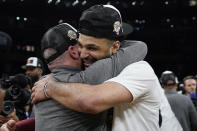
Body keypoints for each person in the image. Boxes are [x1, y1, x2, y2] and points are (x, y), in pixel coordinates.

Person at [32, 4, 182, 131]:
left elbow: (90, 101)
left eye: (92, 48)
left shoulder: (139, 69)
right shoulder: (87, 71)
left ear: (116, 46)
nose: (83, 54)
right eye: (81, 46)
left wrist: (50, 88)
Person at [1, 19, 147, 131]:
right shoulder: (92, 75)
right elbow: (140, 47)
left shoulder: (41, 83)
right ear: (73, 51)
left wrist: (19, 127)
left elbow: (38, 122)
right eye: (82, 44)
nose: (86, 49)